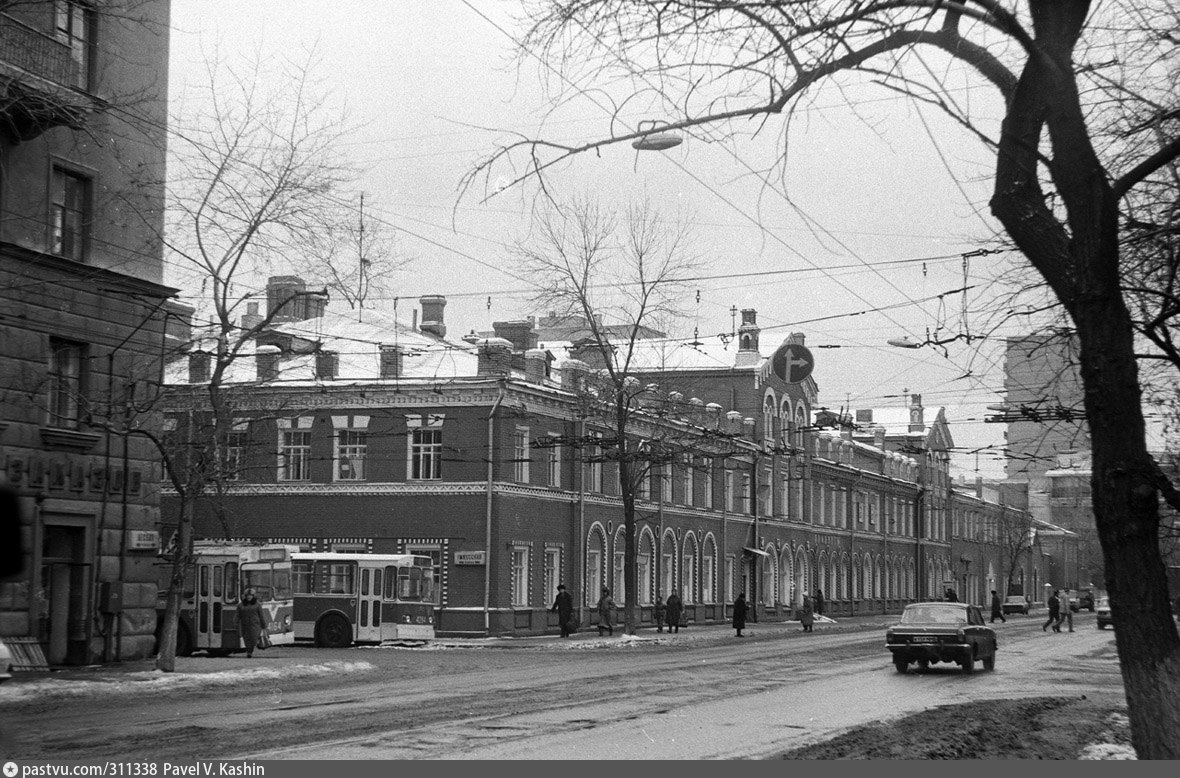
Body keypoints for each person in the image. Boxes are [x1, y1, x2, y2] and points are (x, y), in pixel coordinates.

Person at [235, 588, 269, 658]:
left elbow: (261, 615)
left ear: (253, 596)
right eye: (247, 595)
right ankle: (249, 652)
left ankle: (252, 649)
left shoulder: (257, 605)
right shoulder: (241, 605)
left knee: (254, 639)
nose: (249, 597)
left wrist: (264, 625)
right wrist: (235, 622)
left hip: (255, 625)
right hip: (245, 625)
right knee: (247, 639)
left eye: (250, 595)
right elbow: (237, 615)